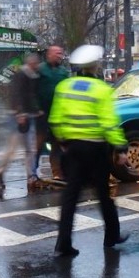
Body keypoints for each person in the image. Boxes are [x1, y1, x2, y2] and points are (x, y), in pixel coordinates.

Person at [49, 44, 129, 257]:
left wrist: (63, 141)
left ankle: (63, 243)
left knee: (70, 197)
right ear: (95, 66)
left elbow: (55, 119)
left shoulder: (64, 87)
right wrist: (121, 147)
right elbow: (109, 124)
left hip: (73, 149)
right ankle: (112, 236)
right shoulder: (102, 90)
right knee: (104, 194)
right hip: (96, 150)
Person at [0, 53, 42, 190]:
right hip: (20, 117)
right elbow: (18, 94)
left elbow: (26, 95)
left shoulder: (29, 75)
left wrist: (35, 110)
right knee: (25, 149)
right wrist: (20, 112)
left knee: (20, 149)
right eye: (35, 64)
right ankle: (4, 172)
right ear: (32, 63)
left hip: (24, 115)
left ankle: (27, 174)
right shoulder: (23, 75)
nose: (37, 66)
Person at [33, 44, 70, 184]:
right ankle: (32, 173)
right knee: (38, 145)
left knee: (56, 144)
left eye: (61, 53)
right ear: (49, 55)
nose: (60, 56)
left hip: (58, 115)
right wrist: (36, 108)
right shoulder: (40, 70)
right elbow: (32, 90)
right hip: (41, 114)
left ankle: (57, 173)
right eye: (57, 53)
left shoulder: (63, 72)